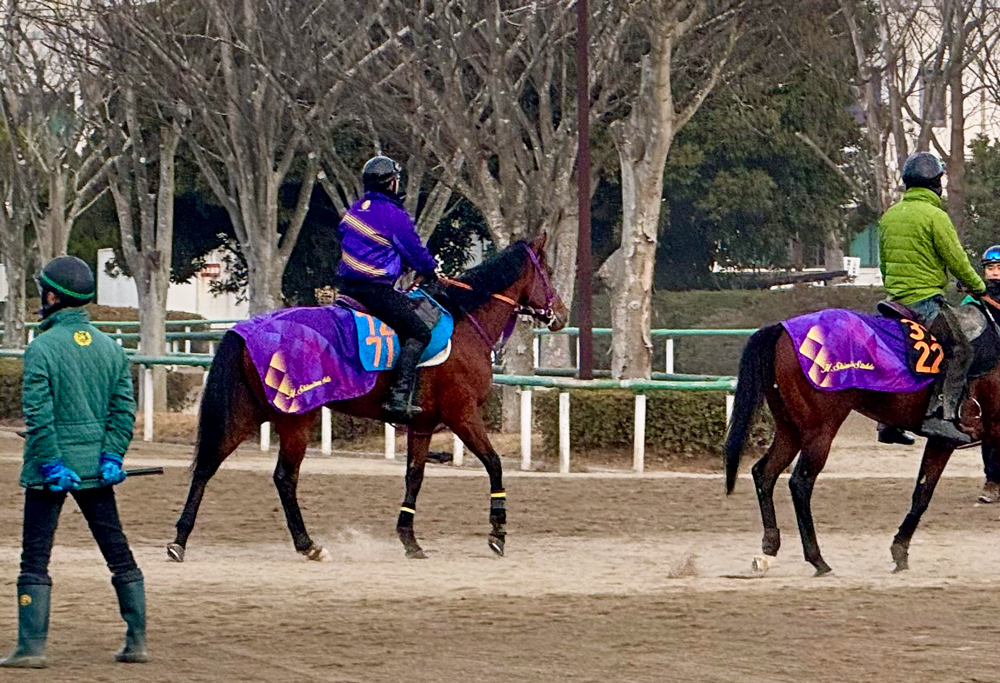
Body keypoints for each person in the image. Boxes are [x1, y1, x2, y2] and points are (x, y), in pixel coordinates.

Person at [1, 256, 145, 668]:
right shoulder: (111, 349)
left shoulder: (41, 348)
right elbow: (123, 412)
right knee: (117, 551)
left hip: (52, 474)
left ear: (51, 296)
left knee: (35, 557)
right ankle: (136, 641)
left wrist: (49, 464)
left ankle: (31, 647)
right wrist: (112, 455)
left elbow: (39, 417)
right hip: (97, 472)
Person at [878, 152, 986, 444]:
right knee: (961, 350)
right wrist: (979, 287)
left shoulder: (889, 216)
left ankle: (886, 423)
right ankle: (940, 415)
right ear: (936, 183)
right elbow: (957, 260)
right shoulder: (936, 216)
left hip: (893, 302)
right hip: (924, 302)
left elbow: (884, 265)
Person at [337, 155, 441, 423]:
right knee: (418, 332)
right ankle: (398, 397)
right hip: (376, 292)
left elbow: (374, 249)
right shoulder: (392, 214)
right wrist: (431, 270)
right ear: (392, 183)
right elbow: (415, 251)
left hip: (347, 290)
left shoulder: (354, 211)